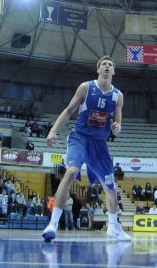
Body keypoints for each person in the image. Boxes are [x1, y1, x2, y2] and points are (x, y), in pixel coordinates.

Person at [41, 56, 130, 243]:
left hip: (99, 144)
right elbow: (68, 111)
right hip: (80, 138)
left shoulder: (118, 96)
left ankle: (114, 228)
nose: (107, 66)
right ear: (98, 70)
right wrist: (53, 130)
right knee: (71, 171)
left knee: (111, 189)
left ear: (114, 71)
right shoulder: (86, 87)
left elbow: (118, 123)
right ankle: (53, 224)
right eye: (104, 64)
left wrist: (117, 128)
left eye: (110, 65)